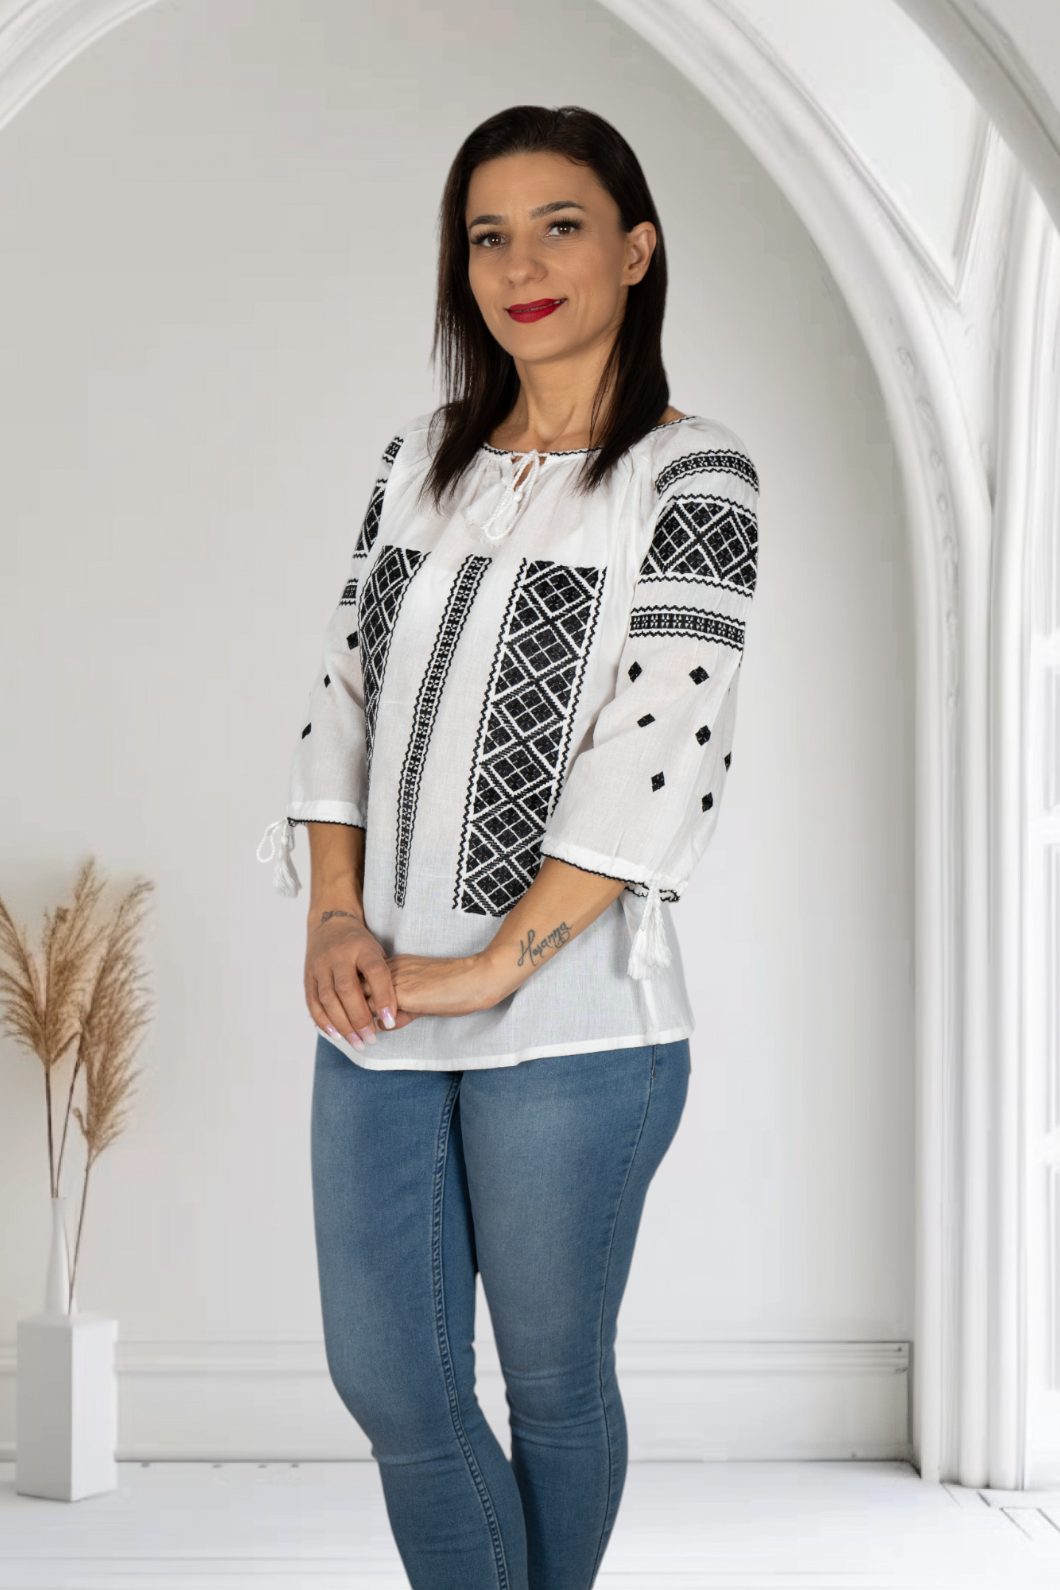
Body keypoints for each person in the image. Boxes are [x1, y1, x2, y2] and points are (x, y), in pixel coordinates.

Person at [259, 103, 759, 1590]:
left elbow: (657, 750)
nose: (519, 266)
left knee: (551, 1386)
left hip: (580, 1024)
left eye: (560, 227)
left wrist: (489, 969)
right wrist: (334, 917)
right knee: (394, 1385)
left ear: (637, 250)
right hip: (380, 1004)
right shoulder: (421, 459)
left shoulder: (695, 479)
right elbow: (342, 694)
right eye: (488, 235)